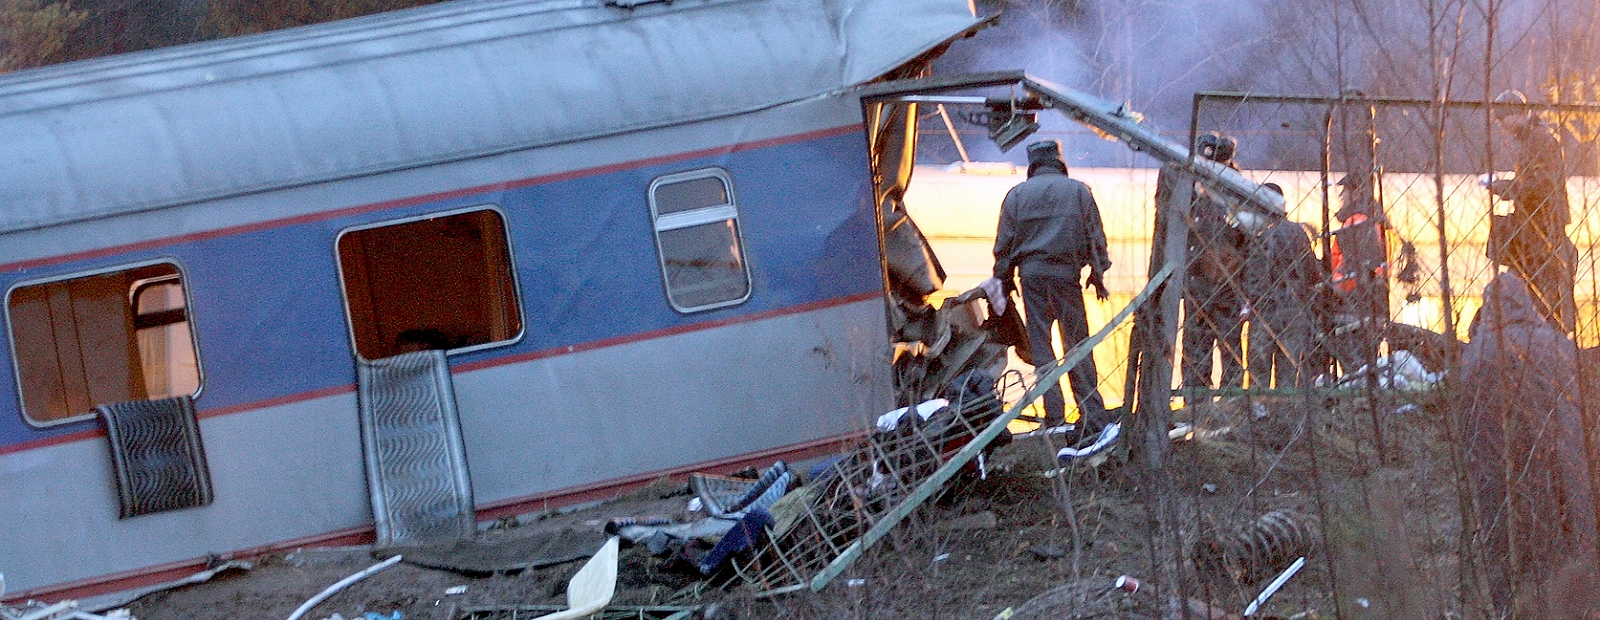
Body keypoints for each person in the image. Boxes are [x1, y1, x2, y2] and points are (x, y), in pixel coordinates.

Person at [1457, 272, 1596, 615]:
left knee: (1512, 545)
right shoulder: (1558, 343)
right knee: (1568, 541)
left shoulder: (1479, 352)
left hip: (1504, 466)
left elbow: (1469, 420)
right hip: (1566, 460)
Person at [991, 139, 1111, 433]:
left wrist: (1004, 280)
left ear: (1032, 164)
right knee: (1078, 345)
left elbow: (1004, 245)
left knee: (1042, 348)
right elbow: (1096, 237)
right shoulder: (1079, 192)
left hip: (1032, 280)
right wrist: (1097, 274)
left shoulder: (1016, 195)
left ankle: (1054, 416)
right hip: (1067, 278)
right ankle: (1090, 413)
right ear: (1059, 160)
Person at [1487, 89, 1577, 333]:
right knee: (1533, 281)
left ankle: (1548, 333)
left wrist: (1507, 188)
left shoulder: (1539, 140)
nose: (1501, 127)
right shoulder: (1533, 138)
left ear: (1516, 115)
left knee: (1540, 283)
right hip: (1536, 222)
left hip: (1542, 224)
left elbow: (1542, 184)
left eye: (1502, 120)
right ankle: (1547, 332)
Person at [1182, 133, 1249, 394]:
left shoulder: (1227, 191)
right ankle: (1202, 401)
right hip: (1209, 281)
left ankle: (1207, 400)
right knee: (1211, 346)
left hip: (1218, 282)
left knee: (1216, 345)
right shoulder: (1237, 190)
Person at [1243, 183, 1320, 389]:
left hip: (1265, 311)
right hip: (1295, 309)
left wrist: (1253, 301)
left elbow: (1253, 277)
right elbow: (1312, 272)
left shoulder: (1260, 234)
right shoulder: (1298, 232)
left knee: (1259, 370)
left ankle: (1259, 412)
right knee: (1289, 368)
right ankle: (1284, 414)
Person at [1325, 171, 1388, 375]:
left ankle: (1356, 403)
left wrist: (1336, 290)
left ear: (1357, 192)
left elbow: (1352, 265)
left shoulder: (1357, 220)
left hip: (1354, 304)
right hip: (1375, 302)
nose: (1342, 196)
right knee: (1370, 363)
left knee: (1355, 365)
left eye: (1345, 191)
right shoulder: (1378, 221)